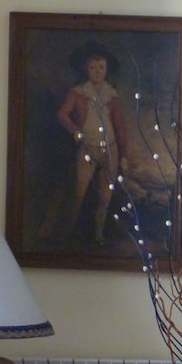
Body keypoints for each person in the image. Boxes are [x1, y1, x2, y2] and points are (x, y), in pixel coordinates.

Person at [53, 40, 129, 245]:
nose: (97, 71)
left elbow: (119, 126)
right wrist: (75, 130)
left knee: (105, 195)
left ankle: (98, 234)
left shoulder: (112, 95)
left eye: (101, 67)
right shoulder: (78, 92)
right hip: (88, 147)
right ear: (86, 69)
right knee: (79, 192)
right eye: (93, 67)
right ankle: (67, 233)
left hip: (111, 148)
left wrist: (123, 156)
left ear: (107, 69)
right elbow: (62, 114)